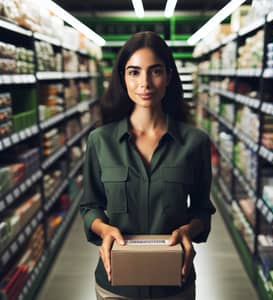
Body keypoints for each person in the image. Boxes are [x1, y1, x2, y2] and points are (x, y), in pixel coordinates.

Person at [80, 31, 216, 300]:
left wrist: (189, 230)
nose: (145, 83)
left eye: (155, 71)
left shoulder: (195, 142)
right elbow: (90, 206)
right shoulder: (100, 141)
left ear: (168, 77)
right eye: (134, 72)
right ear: (123, 78)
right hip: (116, 284)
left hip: (174, 283)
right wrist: (104, 229)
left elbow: (202, 209)